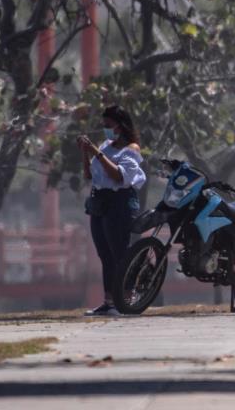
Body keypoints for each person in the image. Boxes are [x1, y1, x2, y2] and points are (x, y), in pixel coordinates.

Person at [76, 105, 146, 317]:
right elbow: (90, 176)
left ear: (121, 126)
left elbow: (119, 176)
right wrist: (86, 154)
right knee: (104, 254)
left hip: (119, 202)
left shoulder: (131, 150)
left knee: (119, 252)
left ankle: (126, 297)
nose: (106, 129)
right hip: (100, 201)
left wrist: (96, 152)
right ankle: (108, 301)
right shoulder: (106, 146)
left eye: (109, 125)